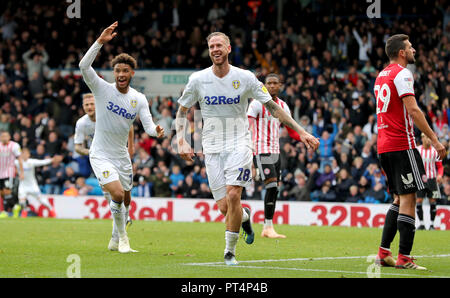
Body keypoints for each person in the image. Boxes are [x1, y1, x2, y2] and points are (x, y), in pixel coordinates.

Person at [175, 32, 319, 265]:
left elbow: (273, 107)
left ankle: (229, 252)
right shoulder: (198, 79)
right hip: (212, 148)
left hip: (239, 144)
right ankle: (245, 218)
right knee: (225, 208)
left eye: (219, 45)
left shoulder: (245, 78)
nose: (215, 49)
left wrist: (301, 131)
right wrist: (181, 140)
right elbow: (182, 111)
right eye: (211, 46)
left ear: (229, 48)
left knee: (234, 195)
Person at [79, 21, 164, 253]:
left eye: (125, 71)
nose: (121, 74)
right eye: (117, 71)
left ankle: (115, 237)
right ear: (113, 73)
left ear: (132, 73)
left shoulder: (139, 99)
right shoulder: (102, 89)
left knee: (126, 200)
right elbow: (84, 66)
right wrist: (99, 42)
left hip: (122, 156)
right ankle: (124, 239)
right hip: (100, 154)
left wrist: (155, 131)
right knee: (116, 194)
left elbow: (147, 126)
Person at [374, 34, 446, 270]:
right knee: (409, 198)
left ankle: (384, 252)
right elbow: (413, 111)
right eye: (410, 47)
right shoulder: (403, 73)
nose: (414, 49)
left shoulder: (381, 75)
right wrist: (435, 140)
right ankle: (404, 257)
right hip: (402, 145)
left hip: (383, 146)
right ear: (402, 52)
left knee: (398, 198)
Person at [74, 92, 135, 248]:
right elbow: (77, 147)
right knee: (115, 194)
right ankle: (118, 237)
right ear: (83, 107)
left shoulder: (109, 114)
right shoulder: (82, 124)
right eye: (86, 104)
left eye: (92, 103)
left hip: (118, 156)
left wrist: (131, 147)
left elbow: (129, 126)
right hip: (101, 161)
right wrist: (94, 152)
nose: (89, 107)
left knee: (126, 196)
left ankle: (122, 223)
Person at [248, 73, 302, 238]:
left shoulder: (283, 107)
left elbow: (292, 131)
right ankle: (267, 227)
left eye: (275, 83)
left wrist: (306, 137)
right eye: (269, 83)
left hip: (275, 152)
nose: (271, 86)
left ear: (280, 85)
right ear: (264, 86)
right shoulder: (256, 104)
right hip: (260, 149)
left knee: (275, 188)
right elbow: (248, 128)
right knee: (271, 185)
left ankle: (267, 227)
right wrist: (250, 157)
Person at [14, 147, 62, 218]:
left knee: (42, 200)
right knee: (22, 202)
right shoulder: (17, 162)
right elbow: (9, 164)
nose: (24, 155)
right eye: (23, 153)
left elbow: (42, 162)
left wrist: (52, 159)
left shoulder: (32, 162)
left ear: (29, 155)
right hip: (23, 185)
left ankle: (52, 210)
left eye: (26, 153)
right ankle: (24, 213)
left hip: (32, 185)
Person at [416, 133, 443, 230]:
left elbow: (440, 166)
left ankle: (431, 224)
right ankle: (422, 224)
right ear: (422, 138)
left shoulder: (434, 151)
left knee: (433, 201)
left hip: (432, 179)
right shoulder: (418, 150)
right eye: (425, 137)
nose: (428, 140)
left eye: (429, 138)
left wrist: (440, 175)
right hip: (420, 179)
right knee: (419, 200)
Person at [0, 130, 24, 218]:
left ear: (9, 137)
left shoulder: (14, 145)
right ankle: (15, 206)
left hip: (9, 172)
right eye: (2, 136)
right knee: (2, 193)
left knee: (7, 191)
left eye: (6, 136)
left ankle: (6, 211)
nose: (4, 138)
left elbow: (20, 159)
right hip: (0, 172)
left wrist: (21, 172)